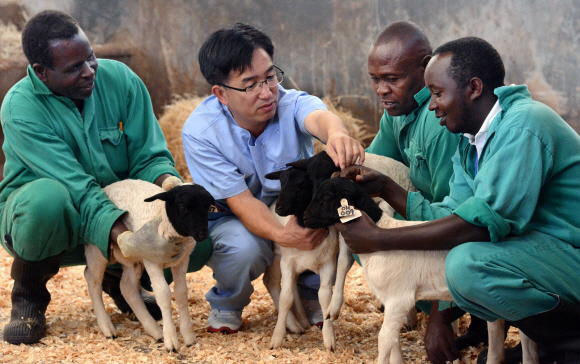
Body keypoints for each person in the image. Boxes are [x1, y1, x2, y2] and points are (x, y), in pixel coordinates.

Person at [337, 37, 580, 364]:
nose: (433, 104)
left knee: (468, 265)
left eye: (437, 93)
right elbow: (450, 215)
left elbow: (478, 224)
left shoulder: (524, 125)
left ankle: (569, 344)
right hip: (546, 254)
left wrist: (379, 238)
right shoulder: (469, 145)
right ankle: (552, 344)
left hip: (570, 253)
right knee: (464, 262)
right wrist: (387, 189)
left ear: (474, 88)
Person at [0, 10, 210, 345]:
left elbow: (149, 156)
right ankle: (29, 294)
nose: (89, 72)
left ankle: (119, 278)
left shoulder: (122, 81)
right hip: (55, 220)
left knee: (191, 241)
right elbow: (77, 188)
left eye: (91, 57)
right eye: (73, 68)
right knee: (47, 202)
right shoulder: (20, 108)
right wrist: (123, 237)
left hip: (118, 207)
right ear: (41, 72)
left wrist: (169, 186)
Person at [182, 23, 364, 334]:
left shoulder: (289, 102)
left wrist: (336, 133)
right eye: (250, 84)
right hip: (233, 215)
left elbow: (318, 116)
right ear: (221, 94)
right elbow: (240, 203)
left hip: (290, 203)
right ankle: (228, 303)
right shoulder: (200, 133)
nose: (266, 93)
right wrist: (282, 237)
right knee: (246, 249)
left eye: (270, 77)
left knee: (321, 222)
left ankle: (309, 295)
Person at [364, 21, 486, 362]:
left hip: (455, 233)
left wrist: (440, 316)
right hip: (429, 219)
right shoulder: (396, 112)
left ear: (426, 66)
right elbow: (375, 167)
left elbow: (460, 221)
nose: (382, 90)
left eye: (392, 78)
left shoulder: (441, 121)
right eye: (375, 79)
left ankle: (464, 309)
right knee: (363, 220)